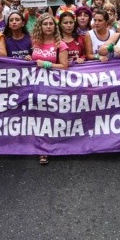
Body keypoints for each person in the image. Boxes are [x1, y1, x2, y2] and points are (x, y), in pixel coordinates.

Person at [30, 13, 69, 165]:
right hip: (36, 87)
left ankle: (50, 148)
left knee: (51, 119)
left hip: (53, 87)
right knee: (39, 119)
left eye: (51, 24)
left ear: (55, 26)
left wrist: (46, 64)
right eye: (45, 24)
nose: (48, 26)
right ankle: (41, 149)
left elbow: (64, 66)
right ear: (40, 26)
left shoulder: (61, 44)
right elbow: (33, 60)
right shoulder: (35, 42)